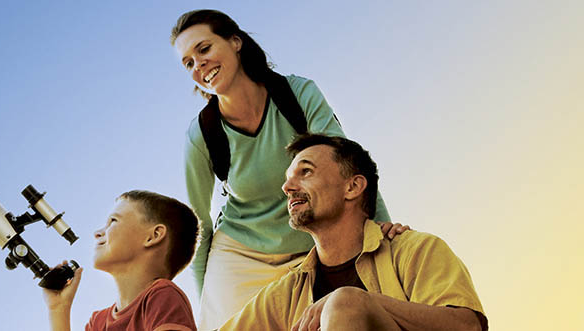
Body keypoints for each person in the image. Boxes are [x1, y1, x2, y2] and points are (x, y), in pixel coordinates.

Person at [170, 9, 408, 329]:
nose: (198, 65)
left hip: (312, 245)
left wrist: (383, 233)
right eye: (188, 63)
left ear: (235, 42)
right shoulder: (201, 135)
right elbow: (198, 227)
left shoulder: (297, 95)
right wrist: (206, 303)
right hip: (240, 256)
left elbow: (348, 167)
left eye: (204, 49)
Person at [221, 134, 487, 330]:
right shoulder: (288, 291)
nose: (287, 187)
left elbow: (467, 326)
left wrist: (360, 303)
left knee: (345, 303)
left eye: (306, 172)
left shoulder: (416, 250)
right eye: (288, 177)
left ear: (352, 187)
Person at [42, 190, 201, 331]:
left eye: (113, 221)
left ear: (153, 236)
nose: (97, 233)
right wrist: (59, 309)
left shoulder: (162, 296)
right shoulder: (98, 323)